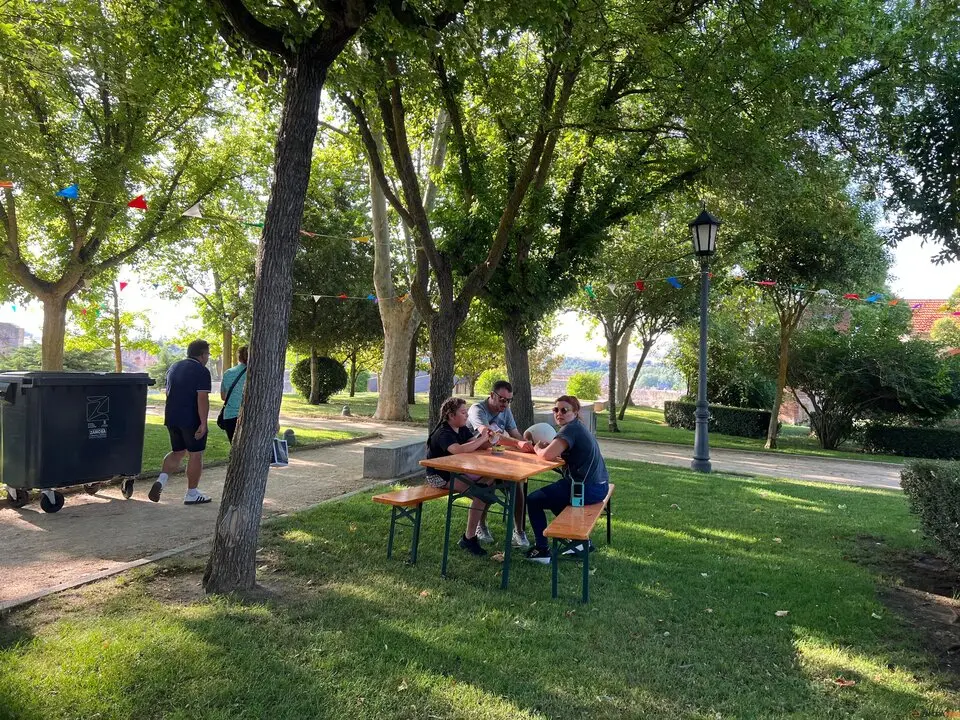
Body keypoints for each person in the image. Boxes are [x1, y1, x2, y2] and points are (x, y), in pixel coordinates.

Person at [525, 395, 610, 563]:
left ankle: (542, 550)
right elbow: (559, 452)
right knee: (555, 496)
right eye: (556, 410)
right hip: (599, 486)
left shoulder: (570, 429)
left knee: (533, 500)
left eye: (565, 410)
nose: (559, 413)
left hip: (585, 488)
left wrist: (537, 449)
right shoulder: (577, 427)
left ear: (576, 412)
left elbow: (547, 455)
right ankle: (578, 542)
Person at [467, 381, 535, 548]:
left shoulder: (506, 411)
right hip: (472, 462)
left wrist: (530, 446)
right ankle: (480, 526)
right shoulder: (477, 409)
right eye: (502, 399)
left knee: (517, 484)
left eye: (509, 400)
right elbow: (489, 434)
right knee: (487, 484)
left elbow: (515, 434)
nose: (505, 404)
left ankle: (519, 531)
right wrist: (517, 444)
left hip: (495, 458)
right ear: (492, 395)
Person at [425, 397, 497, 557]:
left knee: (488, 482)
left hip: (458, 472)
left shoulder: (462, 428)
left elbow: (475, 444)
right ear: (451, 415)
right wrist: (482, 439)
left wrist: (490, 438)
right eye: (463, 412)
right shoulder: (443, 432)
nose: (466, 416)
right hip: (440, 476)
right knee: (481, 494)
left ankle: (484, 498)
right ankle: (469, 538)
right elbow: (458, 450)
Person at [150, 339, 213, 505]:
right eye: (207, 354)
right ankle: (192, 493)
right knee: (195, 454)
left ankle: (161, 481)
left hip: (172, 417)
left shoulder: (174, 367)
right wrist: (203, 423)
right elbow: (202, 398)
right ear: (202, 354)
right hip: (191, 418)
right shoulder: (201, 371)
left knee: (177, 451)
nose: (208, 357)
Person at [219, 345, 248, 443]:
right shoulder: (256, 374)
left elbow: (223, 397)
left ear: (238, 357)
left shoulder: (228, 373)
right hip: (248, 416)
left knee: (236, 450)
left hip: (230, 417)